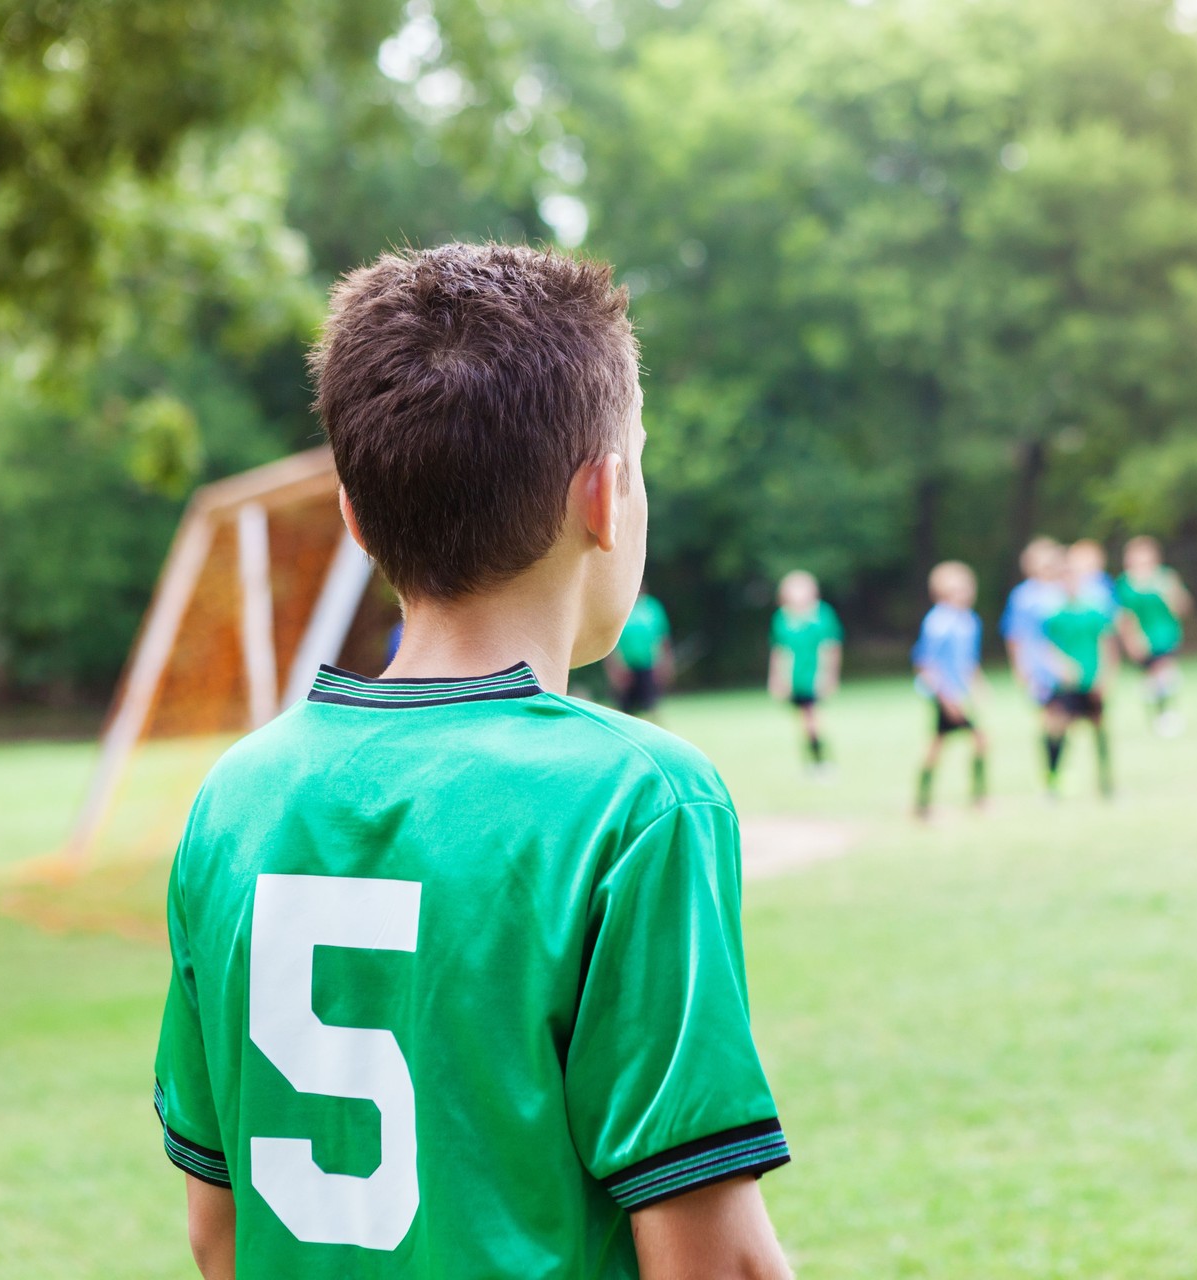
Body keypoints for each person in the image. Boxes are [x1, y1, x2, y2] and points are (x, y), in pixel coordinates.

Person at [152, 245, 793, 1280]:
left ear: (356, 521)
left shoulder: (235, 798)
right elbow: (711, 1261)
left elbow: (214, 1231)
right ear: (605, 497)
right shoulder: (639, 802)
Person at [911, 560, 989, 819]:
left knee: (967, 743)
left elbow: (968, 662)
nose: (965, 593)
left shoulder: (968, 621)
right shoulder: (938, 622)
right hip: (944, 694)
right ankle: (926, 804)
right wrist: (946, 698)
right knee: (962, 743)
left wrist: (978, 687)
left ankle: (930, 803)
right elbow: (926, 664)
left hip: (959, 694)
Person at [1041, 550, 1117, 798]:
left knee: (1099, 729)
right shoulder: (1053, 612)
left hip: (1091, 679)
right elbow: (1045, 646)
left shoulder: (1094, 609)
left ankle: (1106, 783)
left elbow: (1106, 643)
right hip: (1065, 684)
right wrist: (1059, 666)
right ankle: (1053, 783)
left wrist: (1105, 676)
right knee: (1056, 729)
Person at [1116, 534, 1193, 737]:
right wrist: (1131, 641)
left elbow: (1182, 607)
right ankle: (1157, 717)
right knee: (1150, 682)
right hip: (1142, 638)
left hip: (1166, 636)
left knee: (1166, 675)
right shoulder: (1125, 584)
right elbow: (1125, 616)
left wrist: (1172, 593)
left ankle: (1167, 716)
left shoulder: (1165, 578)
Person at [1000, 537, 1068, 767]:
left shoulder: (1064, 591)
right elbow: (1016, 637)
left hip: (1070, 667)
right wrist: (1020, 669)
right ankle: (1052, 773)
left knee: (1066, 719)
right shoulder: (1024, 597)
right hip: (1041, 669)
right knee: (1051, 719)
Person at [768, 570, 842, 773]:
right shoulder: (782, 618)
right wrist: (776, 679)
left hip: (814, 676)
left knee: (812, 720)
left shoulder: (822, 615)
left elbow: (831, 647)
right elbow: (779, 651)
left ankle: (821, 761)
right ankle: (814, 761)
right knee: (803, 721)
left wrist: (829, 676)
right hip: (794, 679)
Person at [604, 592, 672, 718]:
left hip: (648, 664)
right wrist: (615, 668)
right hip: (625, 666)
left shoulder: (652, 607)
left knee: (650, 706)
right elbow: (611, 643)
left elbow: (662, 638)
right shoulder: (619, 607)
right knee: (624, 710)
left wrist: (664, 663)